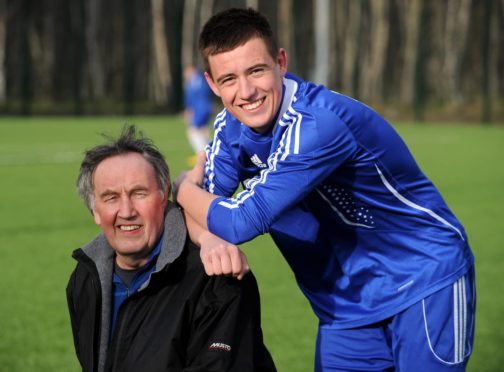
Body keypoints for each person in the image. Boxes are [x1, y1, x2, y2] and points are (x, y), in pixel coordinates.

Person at [176, 8, 476, 372]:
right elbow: (207, 210)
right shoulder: (227, 127)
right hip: (344, 306)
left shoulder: (318, 124)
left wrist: (181, 187)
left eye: (256, 70)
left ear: (281, 62)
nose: (246, 92)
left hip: (423, 280)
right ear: (212, 84)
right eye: (229, 79)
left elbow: (240, 221)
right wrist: (207, 240)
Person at [66, 125, 276, 372]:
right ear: (95, 212)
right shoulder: (85, 279)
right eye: (111, 197)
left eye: (139, 193)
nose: (126, 211)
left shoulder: (217, 276)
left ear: (164, 195)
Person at [183, 64, 213, 165]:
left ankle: (202, 155)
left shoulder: (197, 81)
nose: (185, 75)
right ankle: (210, 153)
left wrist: (190, 110)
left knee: (192, 131)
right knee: (203, 131)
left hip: (201, 110)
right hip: (202, 109)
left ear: (193, 71)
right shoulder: (193, 82)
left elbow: (198, 96)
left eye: (187, 72)